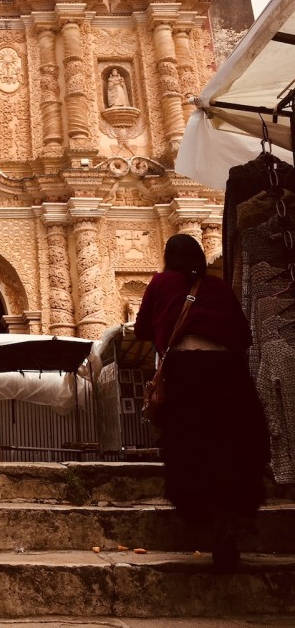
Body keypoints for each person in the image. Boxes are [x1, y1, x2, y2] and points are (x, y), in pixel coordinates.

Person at [134, 234, 269, 571]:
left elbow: (140, 329)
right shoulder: (219, 286)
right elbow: (243, 332)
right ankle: (229, 516)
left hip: (186, 371)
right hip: (227, 373)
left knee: (192, 446)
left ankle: (207, 514)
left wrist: (167, 326)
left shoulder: (161, 282)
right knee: (233, 445)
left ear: (168, 257)